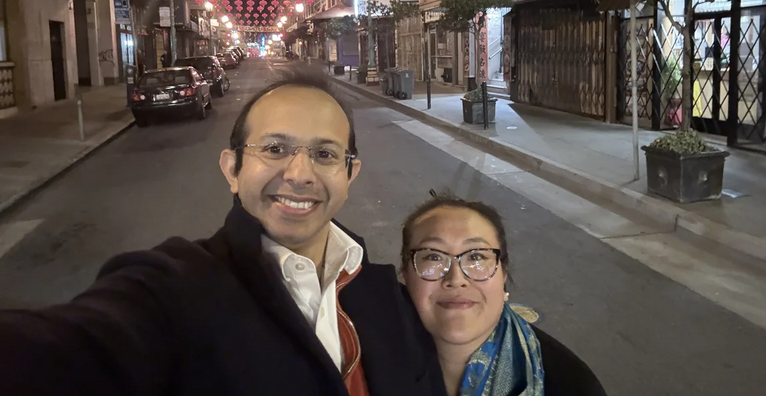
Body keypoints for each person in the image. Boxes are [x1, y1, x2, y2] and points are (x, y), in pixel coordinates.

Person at [0, 66, 445, 396]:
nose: (300, 174)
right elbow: (75, 352)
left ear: (350, 175)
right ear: (232, 169)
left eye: (325, 154)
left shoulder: (387, 295)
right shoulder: (180, 288)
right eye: (275, 148)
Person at [401, 190, 606, 396]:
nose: (456, 279)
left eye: (476, 257)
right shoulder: (383, 362)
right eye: (433, 257)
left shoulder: (572, 385)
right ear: (405, 274)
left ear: (503, 274)